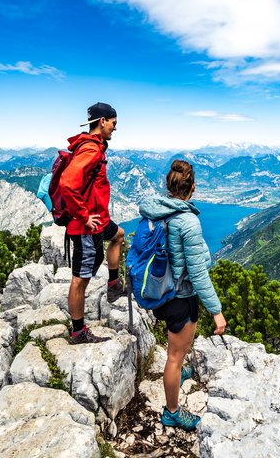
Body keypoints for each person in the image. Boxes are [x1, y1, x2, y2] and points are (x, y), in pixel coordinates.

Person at [138, 159, 227, 430]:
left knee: (176, 351)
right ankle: (172, 412)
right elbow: (198, 275)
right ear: (193, 187)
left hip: (162, 291)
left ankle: (178, 374)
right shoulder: (187, 221)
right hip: (181, 296)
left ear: (169, 186)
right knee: (174, 357)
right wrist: (216, 311)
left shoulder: (157, 211)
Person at [60, 102, 126, 344]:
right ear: (102, 122)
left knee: (118, 235)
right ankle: (78, 332)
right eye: (113, 123)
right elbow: (68, 183)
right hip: (86, 226)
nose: (114, 129)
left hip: (99, 221)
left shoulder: (94, 147)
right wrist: (84, 216)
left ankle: (113, 284)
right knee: (81, 278)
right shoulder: (90, 150)